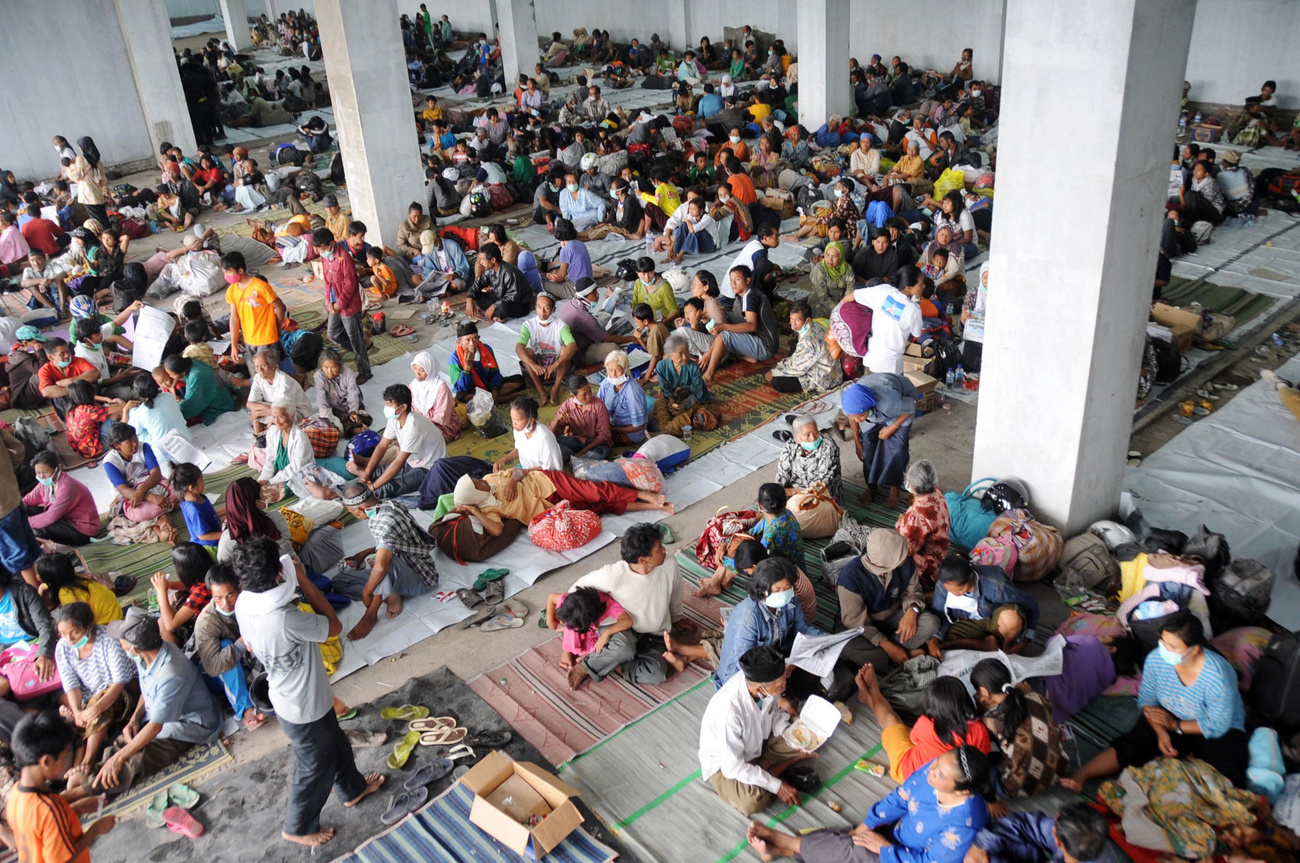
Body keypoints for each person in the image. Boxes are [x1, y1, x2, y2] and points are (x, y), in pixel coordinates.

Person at [232, 538, 384, 847]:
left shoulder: (244, 606)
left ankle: (353, 789)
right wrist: (302, 580)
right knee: (314, 765)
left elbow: (248, 644)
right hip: (302, 706)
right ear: (278, 574)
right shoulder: (286, 618)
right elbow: (333, 626)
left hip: (299, 696)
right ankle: (297, 827)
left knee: (336, 743)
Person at [1062, 611, 1249, 790]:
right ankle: (1081, 775)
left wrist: (1175, 725)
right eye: (1163, 641)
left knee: (1222, 773)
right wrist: (1161, 732)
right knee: (1133, 744)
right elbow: (1147, 701)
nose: (1164, 649)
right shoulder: (1156, 659)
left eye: (1172, 646)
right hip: (1169, 717)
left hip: (1217, 729)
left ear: (1194, 650)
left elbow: (1217, 725)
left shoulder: (1218, 675)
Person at [746, 746, 991, 863]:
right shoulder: (933, 771)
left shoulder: (964, 824)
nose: (931, 770)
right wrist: (868, 825)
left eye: (940, 774)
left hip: (907, 858)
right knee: (850, 836)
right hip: (896, 833)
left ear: (964, 789)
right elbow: (901, 797)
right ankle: (784, 849)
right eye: (936, 763)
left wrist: (884, 848)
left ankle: (786, 844)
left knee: (852, 850)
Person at [91, 608, 222, 795]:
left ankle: (84, 791)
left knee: (136, 762)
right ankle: (90, 778)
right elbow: (148, 687)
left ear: (134, 648)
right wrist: (135, 718)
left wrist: (119, 758)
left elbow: (155, 727)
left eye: (122, 642)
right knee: (123, 741)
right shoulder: (145, 655)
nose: (120, 645)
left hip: (188, 725)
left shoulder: (171, 672)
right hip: (159, 717)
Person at [699, 646, 817, 816]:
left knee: (807, 736)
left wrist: (790, 734)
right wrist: (778, 787)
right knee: (751, 801)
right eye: (780, 684)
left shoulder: (766, 686)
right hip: (725, 766)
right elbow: (732, 767)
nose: (784, 686)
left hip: (758, 743)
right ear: (761, 689)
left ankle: (767, 768)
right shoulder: (729, 710)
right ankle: (779, 768)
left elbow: (775, 714)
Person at [567, 524, 688, 687]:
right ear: (643, 559)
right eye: (659, 548)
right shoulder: (614, 575)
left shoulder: (670, 564)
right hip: (621, 629)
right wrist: (577, 620)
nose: (665, 550)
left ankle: (615, 664)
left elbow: (676, 593)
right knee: (623, 648)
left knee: (657, 673)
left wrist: (676, 618)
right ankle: (588, 666)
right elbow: (575, 590)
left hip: (655, 634)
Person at [7, 710, 117, 862]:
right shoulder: (51, 809)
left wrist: (76, 808)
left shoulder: (15, 794)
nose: (67, 761)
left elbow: (37, 828)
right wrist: (95, 830)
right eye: (65, 756)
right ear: (46, 761)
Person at [333, 484, 439, 641]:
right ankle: (390, 591)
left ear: (360, 510)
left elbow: (382, 565)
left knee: (382, 565)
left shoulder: (384, 523)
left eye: (351, 512)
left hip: (421, 577)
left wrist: (367, 592)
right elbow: (395, 542)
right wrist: (365, 553)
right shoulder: (389, 504)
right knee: (339, 582)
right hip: (400, 566)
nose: (353, 515)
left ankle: (371, 615)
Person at [52, 601, 135, 786]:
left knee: (97, 709)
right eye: (64, 634)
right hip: (90, 696)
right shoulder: (63, 648)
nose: (70, 639)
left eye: (74, 632)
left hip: (124, 690)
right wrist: (77, 710)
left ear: (89, 626)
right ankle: (70, 773)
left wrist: (96, 707)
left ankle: (87, 762)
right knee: (66, 716)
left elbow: (119, 681)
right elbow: (71, 684)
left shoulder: (108, 641)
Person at [711, 557, 826, 690]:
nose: (783, 593)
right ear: (762, 590)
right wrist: (778, 671)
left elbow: (803, 628)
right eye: (777, 590)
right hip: (744, 673)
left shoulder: (791, 601)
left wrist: (826, 640)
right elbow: (744, 662)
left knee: (819, 671)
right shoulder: (748, 617)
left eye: (787, 588)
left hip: (776, 657)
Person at [836, 528, 941, 672]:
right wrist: (885, 644)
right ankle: (901, 653)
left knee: (931, 623)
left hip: (893, 616)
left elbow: (914, 591)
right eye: (900, 555)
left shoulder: (906, 563)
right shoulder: (850, 577)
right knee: (845, 646)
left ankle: (892, 657)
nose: (906, 555)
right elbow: (854, 621)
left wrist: (912, 610)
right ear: (886, 563)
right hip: (862, 626)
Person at [969, 658, 1064, 798]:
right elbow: (1047, 709)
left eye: (977, 692)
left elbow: (982, 742)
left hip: (1019, 787)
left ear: (983, 692)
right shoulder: (1035, 697)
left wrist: (980, 709)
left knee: (978, 764)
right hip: (1058, 769)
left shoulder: (990, 720)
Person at [194, 563, 267, 730]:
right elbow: (214, 667)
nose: (225, 603)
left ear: (239, 589)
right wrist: (242, 642)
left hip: (242, 660)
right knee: (226, 645)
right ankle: (245, 708)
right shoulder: (206, 622)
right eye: (217, 598)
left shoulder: (249, 601)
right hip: (215, 673)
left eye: (230, 595)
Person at [352, 385, 447, 500]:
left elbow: (398, 462)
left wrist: (373, 487)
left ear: (403, 407)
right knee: (373, 474)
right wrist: (366, 475)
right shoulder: (394, 419)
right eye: (386, 404)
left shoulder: (414, 427)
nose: (386, 408)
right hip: (412, 462)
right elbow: (381, 446)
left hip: (429, 468)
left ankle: (353, 501)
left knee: (386, 488)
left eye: (389, 405)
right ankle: (339, 492)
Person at [930, 557, 1040, 651]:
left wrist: (1028, 636)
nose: (954, 593)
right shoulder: (942, 586)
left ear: (971, 577)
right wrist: (936, 638)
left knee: (1011, 620)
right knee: (941, 635)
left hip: (995, 620)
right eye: (950, 590)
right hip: (968, 621)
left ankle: (1006, 646)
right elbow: (942, 617)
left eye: (959, 589)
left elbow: (1030, 604)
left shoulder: (996, 585)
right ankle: (988, 645)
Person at [843, 376, 919, 507]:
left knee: (897, 449)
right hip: (874, 410)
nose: (856, 420)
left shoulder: (889, 402)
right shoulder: (851, 402)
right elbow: (853, 417)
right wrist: (857, 441)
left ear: (868, 407)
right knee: (868, 447)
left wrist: (892, 427)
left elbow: (911, 405)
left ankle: (894, 489)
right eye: (853, 417)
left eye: (860, 416)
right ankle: (872, 487)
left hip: (903, 406)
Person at [968, 803, 1127, 863]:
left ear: (1059, 841)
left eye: (1056, 821)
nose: (1054, 818)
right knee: (996, 845)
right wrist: (981, 844)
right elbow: (1025, 824)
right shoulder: (1085, 836)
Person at [701, 266, 779, 385]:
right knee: (730, 318)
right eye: (731, 280)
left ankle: (709, 375)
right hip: (769, 341)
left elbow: (751, 326)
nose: (733, 284)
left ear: (747, 281)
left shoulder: (750, 297)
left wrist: (723, 327)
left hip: (765, 346)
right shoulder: (748, 294)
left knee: (725, 336)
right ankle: (746, 354)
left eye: (737, 280)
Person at [312, 229, 372, 384]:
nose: (322, 252)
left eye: (323, 248)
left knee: (355, 338)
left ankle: (365, 371)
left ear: (332, 244)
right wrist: (328, 301)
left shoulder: (344, 257)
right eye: (319, 249)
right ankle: (362, 349)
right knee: (332, 334)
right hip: (333, 303)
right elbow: (326, 280)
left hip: (348, 305)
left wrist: (339, 304)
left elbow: (350, 284)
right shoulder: (325, 258)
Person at [102, 423, 177, 545]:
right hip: (130, 493)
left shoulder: (144, 447)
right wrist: (151, 497)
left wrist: (142, 491)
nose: (135, 443)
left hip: (149, 484)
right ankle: (165, 529)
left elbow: (156, 474)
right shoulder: (110, 462)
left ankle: (161, 531)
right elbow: (124, 490)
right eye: (129, 442)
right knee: (145, 509)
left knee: (174, 491)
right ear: (117, 445)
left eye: (135, 438)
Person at [223, 251, 286, 376]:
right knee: (256, 375)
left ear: (240, 271)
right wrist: (234, 345)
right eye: (224, 272)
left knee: (270, 374)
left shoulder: (260, 286)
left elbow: (280, 308)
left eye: (228, 272)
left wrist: (276, 328)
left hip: (266, 338)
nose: (226, 276)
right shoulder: (232, 291)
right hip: (249, 340)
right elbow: (234, 318)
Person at [892, 460, 951, 589]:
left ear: (912, 485)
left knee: (889, 551)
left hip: (927, 569)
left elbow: (907, 548)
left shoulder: (918, 512)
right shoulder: (937, 494)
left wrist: (900, 523)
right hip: (941, 555)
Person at [23, 453, 100, 546]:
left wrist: (23, 523)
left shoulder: (67, 486)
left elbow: (50, 517)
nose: (41, 477)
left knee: (41, 525)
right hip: (65, 520)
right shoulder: (45, 484)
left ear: (57, 469)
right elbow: (27, 500)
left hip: (82, 531)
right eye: (38, 473)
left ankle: (38, 547)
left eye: (45, 472)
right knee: (27, 510)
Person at [516, 294, 578, 407]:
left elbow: (573, 345)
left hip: (556, 367)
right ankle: (541, 392)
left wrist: (557, 363)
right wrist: (532, 364)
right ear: (535, 307)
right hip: (538, 368)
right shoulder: (528, 325)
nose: (542, 311)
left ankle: (555, 389)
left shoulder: (561, 325)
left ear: (553, 309)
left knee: (565, 349)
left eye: (546, 307)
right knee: (527, 352)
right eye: (539, 307)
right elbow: (519, 347)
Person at [765, 301, 838, 395]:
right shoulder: (815, 324)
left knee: (777, 381)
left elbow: (799, 368)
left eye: (797, 320)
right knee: (795, 342)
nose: (793, 324)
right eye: (791, 319)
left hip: (823, 377)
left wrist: (775, 372)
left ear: (808, 320)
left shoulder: (809, 341)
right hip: (827, 367)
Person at [448, 322, 526, 404]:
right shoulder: (454, 359)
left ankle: (490, 400)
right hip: (471, 391)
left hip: (488, 387)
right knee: (462, 397)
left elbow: (495, 373)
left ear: (479, 338)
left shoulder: (487, 349)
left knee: (519, 380)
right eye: (467, 340)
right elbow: (461, 388)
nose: (472, 343)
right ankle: (504, 399)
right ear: (459, 342)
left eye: (475, 338)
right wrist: (467, 369)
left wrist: (495, 391)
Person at [653, 333, 713, 438]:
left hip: (694, 398)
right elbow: (665, 389)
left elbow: (697, 392)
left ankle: (663, 433)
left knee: (688, 413)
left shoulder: (693, 367)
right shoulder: (661, 366)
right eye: (680, 354)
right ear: (670, 355)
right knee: (659, 404)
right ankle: (666, 429)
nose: (685, 357)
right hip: (675, 396)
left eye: (687, 352)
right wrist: (671, 400)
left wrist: (684, 404)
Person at [35, 553, 120, 624]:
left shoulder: (66, 593)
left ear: (49, 578)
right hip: (116, 615)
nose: (36, 576)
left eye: (38, 574)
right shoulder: (76, 578)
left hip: (106, 625)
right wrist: (42, 588)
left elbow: (77, 619)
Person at [246, 347, 313, 435]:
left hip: (297, 412)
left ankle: (271, 435)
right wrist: (266, 409)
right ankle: (259, 439)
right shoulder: (258, 378)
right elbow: (249, 404)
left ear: (273, 365)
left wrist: (261, 412)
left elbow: (285, 409)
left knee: (260, 414)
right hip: (276, 409)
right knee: (255, 411)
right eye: (257, 367)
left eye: (263, 366)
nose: (260, 370)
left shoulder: (284, 381)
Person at [774, 416, 842, 502]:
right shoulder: (790, 446)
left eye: (815, 432)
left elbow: (824, 481)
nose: (813, 438)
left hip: (821, 493)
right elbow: (782, 474)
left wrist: (796, 491)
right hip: (794, 490)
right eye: (807, 435)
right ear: (797, 438)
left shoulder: (828, 446)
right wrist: (777, 491)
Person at [256, 400, 316, 490]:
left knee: (269, 495)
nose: (276, 421)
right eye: (273, 416)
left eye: (280, 417)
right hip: (279, 475)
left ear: (291, 417)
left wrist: (270, 482)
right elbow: (269, 461)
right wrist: (263, 479)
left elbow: (295, 468)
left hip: (298, 476)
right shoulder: (272, 432)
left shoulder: (300, 438)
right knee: (255, 489)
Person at [551, 375, 612, 461]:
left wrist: (582, 453)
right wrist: (557, 419)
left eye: (590, 391)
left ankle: (576, 459)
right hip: (578, 441)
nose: (589, 396)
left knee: (594, 457)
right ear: (572, 395)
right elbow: (552, 433)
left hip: (598, 444)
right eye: (584, 394)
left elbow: (604, 435)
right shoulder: (567, 406)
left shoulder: (598, 405)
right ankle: (575, 459)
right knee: (552, 444)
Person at [466, 242, 532, 322]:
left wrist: (494, 306)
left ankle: (499, 314)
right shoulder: (490, 271)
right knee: (476, 296)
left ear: (493, 260)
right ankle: (498, 314)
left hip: (518, 304)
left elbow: (513, 297)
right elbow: (477, 284)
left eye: (483, 259)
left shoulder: (509, 272)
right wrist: (469, 299)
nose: (481, 262)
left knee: (503, 307)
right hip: (500, 298)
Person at [37, 338, 101, 420]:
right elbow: (46, 391)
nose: (67, 355)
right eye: (62, 354)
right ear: (50, 357)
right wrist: (74, 390)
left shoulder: (78, 361)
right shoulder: (45, 370)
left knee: (92, 381)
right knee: (55, 395)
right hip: (67, 407)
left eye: (68, 351)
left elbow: (96, 373)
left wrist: (71, 381)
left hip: (87, 400)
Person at [164, 355, 234, 427]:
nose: (170, 377)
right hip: (224, 397)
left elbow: (192, 405)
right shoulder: (195, 364)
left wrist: (174, 408)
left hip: (220, 409)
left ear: (180, 371)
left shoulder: (196, 376)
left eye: (171, 374)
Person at [315, 348, 369, 438]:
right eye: (326, 368)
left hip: (349, 403)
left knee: (355, 419)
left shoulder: (348, 373)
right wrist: (327, 420)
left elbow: (353, 394)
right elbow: (321, 400)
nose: (330, 371)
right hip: (334, 406)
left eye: (333, 367)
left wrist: (353, 411)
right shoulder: (318, 376)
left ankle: (361, 433)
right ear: (321, 367)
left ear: (339, 365)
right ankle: (357, 430)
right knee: (331, 423)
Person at [598, 351, 648, 445]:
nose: (613, 374)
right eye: (610, 370)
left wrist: (612, 430)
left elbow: (638, 426)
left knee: (599, 441)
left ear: (625, 370)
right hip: (611, 425)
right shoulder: (606, 384)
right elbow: (597, 406)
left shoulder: (632, 391)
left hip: (630, 434)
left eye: (617, 370)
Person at [544, 219, 594, 300]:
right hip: (590, 282)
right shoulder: (581, 244)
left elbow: (561, 276)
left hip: (576, 288)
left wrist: (553, 282)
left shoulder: (565, 250)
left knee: (545, 284)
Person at [807, 242, 853, 320]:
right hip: (821, 303)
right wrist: (838, 308)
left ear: (840, 256)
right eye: (827, 255)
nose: (830, 260)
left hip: (841, 302)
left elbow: (850, 289)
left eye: (834, 256)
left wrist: (844, 304)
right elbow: (822, 297)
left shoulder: (847, 268)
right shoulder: (819, 269)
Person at [631, 257, 680, 322]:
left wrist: (664, 322)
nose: (647, 277)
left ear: (654, 271)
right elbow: (635, 303)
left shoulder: (663, 288)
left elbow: (674, 310)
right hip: (643, 320)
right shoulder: (638, 283)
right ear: (637, 273)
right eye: (643, 274)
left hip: (659, 321)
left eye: (650, 273)